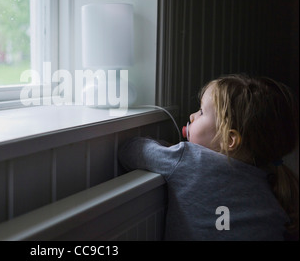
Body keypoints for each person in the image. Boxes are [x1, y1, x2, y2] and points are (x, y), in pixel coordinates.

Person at [119, 74, 299, 240]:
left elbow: (130, 150)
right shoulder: (271, 181)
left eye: (202, 112)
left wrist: (170, 149)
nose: (192, 116)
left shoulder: (189, 159)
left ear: (229, 139)